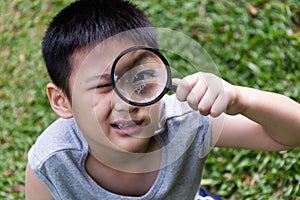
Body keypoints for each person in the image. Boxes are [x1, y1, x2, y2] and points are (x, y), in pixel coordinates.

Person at [25, 0, 300, 199]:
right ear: (62, 101)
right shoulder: (51, 160)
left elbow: (290, 134)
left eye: (141, 78)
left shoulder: (186, 120)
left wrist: (241, 99)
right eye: (104, 85)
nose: (128, 102)